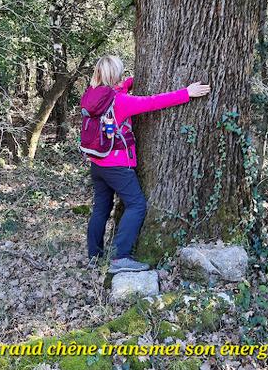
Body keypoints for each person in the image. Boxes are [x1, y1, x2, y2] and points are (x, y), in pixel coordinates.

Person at [81, 55, 210, 273]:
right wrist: (186, 93)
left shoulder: (92, 96)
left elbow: (116, 93)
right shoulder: (120, 102)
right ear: (115, 75)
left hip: (97, 163)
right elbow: (152, 102)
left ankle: (94, 256)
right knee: (137, 205)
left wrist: (129, 82)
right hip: (117, 165)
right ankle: (120, 257)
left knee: (101, 208)